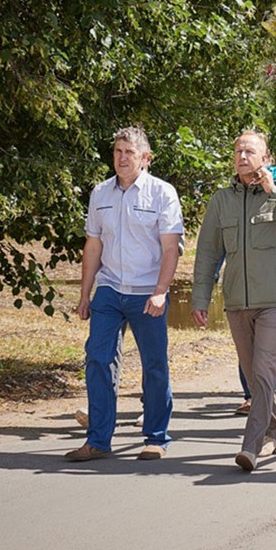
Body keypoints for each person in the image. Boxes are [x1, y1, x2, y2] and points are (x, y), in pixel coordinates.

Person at [192, 131, 276, 472]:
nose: (242, 155)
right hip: (236, 301)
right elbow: (207, 253)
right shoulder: (222, 200)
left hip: (274, 300)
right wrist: (200, 297)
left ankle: (252, 444)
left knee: (264, 370)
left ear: (266, 159)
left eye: (250, 150)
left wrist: (274, 192)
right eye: (238, 150)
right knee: (253, 373)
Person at [66, 127, 183, 462]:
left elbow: (170, 248)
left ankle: (156, 437)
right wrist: (85, 293)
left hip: (147, 293)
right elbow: (93, 245)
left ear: (145, 158)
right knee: (98, 359)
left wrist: (161, 292)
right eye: (117, 151)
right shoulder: (100, 194)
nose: (121, 158)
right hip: (109, 289)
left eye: (129, 152)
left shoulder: (163, 194)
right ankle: (98, 440)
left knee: (154, 365)